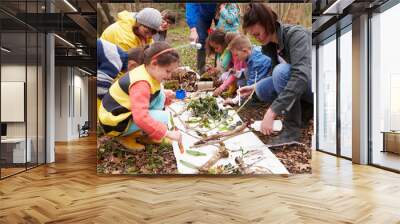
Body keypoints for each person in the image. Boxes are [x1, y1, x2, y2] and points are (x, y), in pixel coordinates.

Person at [239, 3, 313, 144]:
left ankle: (291, 130)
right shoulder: (271, 45)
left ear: (267, 24)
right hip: (304, 83)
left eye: (257, 34)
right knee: (262, 88)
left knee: (281, 72)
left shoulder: (296, 35)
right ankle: (303, 111)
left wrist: (273, 111)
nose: (257, 39)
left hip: (321, 86)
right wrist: (254, 86)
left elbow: (300, 75)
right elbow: (274, 74)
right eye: (253, 36)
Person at [98, 42, 181, 152]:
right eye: (167, 71)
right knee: (167, 117)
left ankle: (149, 134)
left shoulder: (147, 71)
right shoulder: (141, 83)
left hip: (119, 113)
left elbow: (152, 92)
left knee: (161, 94)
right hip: (115, 123)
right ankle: (125, 136)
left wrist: (164, 95)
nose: (169, 76)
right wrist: (167, 132)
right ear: (154, 63)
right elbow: (141, 117)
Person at [204, 30, 246, 96]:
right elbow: (227, 69)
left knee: (240, 83)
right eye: (214, 48)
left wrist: (221, 88)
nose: (215, 50)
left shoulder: (234, 54)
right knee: (223, 77)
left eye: (216, 47)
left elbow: (235, 73)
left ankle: (234, 88)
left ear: (224, 44)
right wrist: (215, 70)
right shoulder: (224, 53)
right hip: (237, 74)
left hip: (243, 75)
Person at [185, 3, 217, 74]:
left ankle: (219, 68)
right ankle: (201, 68)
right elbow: (191, 5)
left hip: (220, 8)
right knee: (201, 38)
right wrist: (193, 29)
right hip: (201, 12)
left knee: (221, 38)